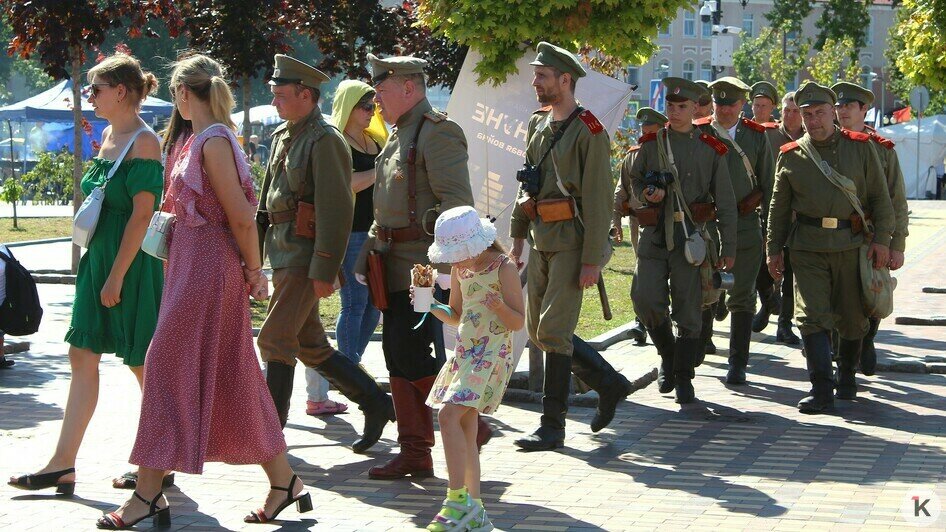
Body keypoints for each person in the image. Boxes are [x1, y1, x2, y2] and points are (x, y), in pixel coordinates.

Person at [97, 54, 310, 529]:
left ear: (182, 94)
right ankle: (285, 481)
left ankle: (148, 492)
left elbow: (239, 215)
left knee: (166, 369)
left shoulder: (212, 140)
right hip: (192, 267)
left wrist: (255, 270)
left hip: (207, 270)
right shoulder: (200, 139)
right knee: (234, 376)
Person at [8, 53, 165, 496]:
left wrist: (115, 277)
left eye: (93, 89)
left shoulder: (145, 142)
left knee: (141, 363)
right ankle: (63, 464)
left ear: (121, 91)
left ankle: (159, 461)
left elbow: (141, 217)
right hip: (99, 261)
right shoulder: (111, 135)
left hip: (129, 267)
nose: (87, 97)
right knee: (82, 355)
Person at [357, 53, 486, 480]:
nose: (375, 96)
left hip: (422, 269)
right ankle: (415, 450)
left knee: (411, 353)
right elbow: (385, 207)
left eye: (382, 87)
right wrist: (368, 251)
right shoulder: (397, 136)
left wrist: (444, 263)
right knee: (397, 353)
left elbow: (458, 206)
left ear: (408, 88)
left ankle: (467, 422)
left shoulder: (438, 133)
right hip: (392, 264)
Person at [256, 54, 394, 453]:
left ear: (306, 94)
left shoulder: (325, 138)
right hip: (282, 253)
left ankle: (269, 437)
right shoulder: (285, 135)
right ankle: (375, 402)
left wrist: (325, 268)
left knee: (276, 340)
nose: (277, 102)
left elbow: (337, 209)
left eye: (282, 95)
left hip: (304, 257)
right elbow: (268, 204)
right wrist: (252, 255)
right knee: (310, 345)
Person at [510, 42, 632, 452]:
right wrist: (516, 233)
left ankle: (552, 425)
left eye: (542, 75)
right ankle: (609, 383)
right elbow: (526, 183)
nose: (535, 82)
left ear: (566, 80)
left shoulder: (589, 131)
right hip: (541, 238)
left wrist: (593, 260)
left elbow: (598, 200)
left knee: (554, 332)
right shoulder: (537, 124)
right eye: (535, 75)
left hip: (572, 244)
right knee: (539, 331)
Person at [767, 81, 895, 414]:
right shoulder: (791, 155)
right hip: (807, 248)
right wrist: (774, 250)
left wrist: (883, 240)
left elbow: (881, 199)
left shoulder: (861, 147)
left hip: (852, 246)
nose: (814, 120)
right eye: (807, 114)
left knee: (852, 319)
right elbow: (778, 209)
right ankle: (821, 389)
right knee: (811, 317)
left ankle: (847, 375)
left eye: (821, 113)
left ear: (833, 112)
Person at [629, 77, 737, 403]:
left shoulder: (710, 148)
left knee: (690, 309)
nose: (674, 113)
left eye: (682, 107)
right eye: (670, 107)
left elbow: (727, 201)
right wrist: (647, 193)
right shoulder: (651, 144)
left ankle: (684, 377)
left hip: (692, 240)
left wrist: (728, 248)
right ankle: (669, 355)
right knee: (645, 300)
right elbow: (635, 180)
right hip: (656, 236)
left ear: (695, 108)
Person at [422, 206, 524, 532]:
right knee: (464, 425)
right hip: (466, 354)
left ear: (476, 245)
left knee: (448, 415)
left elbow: (519, 321)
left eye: (458, 253)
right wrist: (429, 303)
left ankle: (456, 501)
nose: (454, 261)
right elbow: (455, 314)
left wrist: (499, 306)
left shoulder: (503, 268)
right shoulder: (459, 271)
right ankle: (475, 510)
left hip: (491, 355)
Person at [302, 80, 385, 417]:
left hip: (376, 233)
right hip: (349, 233)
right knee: (355, 304)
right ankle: (349, 373)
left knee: (375, 306)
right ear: (350, 106)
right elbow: (346, 184)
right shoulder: (337, 143)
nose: (371, 113)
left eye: (375, 107)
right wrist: (379, 170)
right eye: (366, 106)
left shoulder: (376, 140)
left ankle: (347, 369)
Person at [696, 76, 774, 385]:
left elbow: (768, 184)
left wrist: (768, 229)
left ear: (742, 105)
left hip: (744, 226)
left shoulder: (756, 136)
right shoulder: (700, 133)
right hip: (707, 225)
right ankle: (697, 347)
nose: (724, 110)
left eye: (731, 104)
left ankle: (737, 362)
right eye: (719, 103)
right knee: (700, 291)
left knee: (742, 296)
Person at [832, 81, 909, 380]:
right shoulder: (825, 143)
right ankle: (843, 357)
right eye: (839, 106)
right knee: (837, 297)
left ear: (864, 110)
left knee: (871, 293)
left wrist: (896, 243)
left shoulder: (882, 149)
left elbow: (896, 198)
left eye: (849, 106)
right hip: (834, 235)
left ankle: (867, 340)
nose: (843, 111)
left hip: (871, 235)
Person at [614, 107, 668, 346]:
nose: (644, 136)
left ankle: (669, 319)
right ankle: (641, 322)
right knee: (642, 274)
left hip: (670, 221)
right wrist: (616, 223)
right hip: (641, 223)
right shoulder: (633, 155)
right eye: (643, 132)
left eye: (651, 133)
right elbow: (620, 191)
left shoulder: (671, 153)